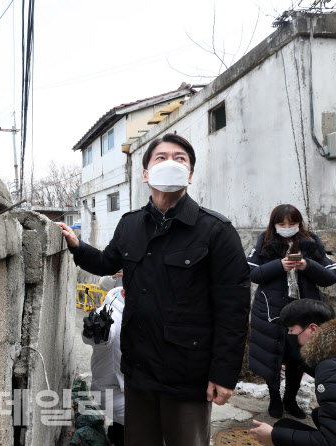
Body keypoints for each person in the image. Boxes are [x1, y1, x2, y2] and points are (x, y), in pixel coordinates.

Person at [57, 133, 251, 446]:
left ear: (189, 174)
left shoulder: (215, 231)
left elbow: (234, 309)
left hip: (188, 374)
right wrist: (78, 246)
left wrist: (224, 373)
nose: (171, 163)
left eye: (180, 158)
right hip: (138, 370)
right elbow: (107, 262)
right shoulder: (130, 224)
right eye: (161, 158)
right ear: (146, 173)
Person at [247, 205, 336, 419]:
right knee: (273, 356)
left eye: (292, 223)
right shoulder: (265, 241)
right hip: (272, 312)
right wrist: (278, 266)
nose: (287, 228)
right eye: (282, 224)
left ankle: (290, 400)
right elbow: (251, 272)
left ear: (299, 222)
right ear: (274, 224)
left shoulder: (311, 242)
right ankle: (274, 399)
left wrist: (307, 265)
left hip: (304, 316)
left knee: (297, 359)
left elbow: (334, 275)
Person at [250, 299, 336, 445]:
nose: (289, 335)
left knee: (282, 428)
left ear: (313, 329)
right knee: (319, 415)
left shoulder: (334, 372)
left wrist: (274, 436)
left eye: (291, 330)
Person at [82, 286, 126, 446]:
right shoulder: (111, 312)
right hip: (112, 392)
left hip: (130, 390)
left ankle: (117, 434)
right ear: (124, 293)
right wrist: (97, 333)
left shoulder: (143, 309)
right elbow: (102, 336)